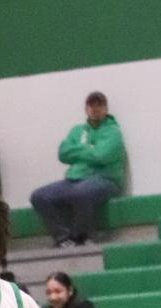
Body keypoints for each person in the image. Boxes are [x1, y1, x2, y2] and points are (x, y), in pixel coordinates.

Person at [30, 91, 127, 248]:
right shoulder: (77, 131)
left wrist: (78, 151)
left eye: (99, 105)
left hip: (106, 179)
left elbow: (102, 156)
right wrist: (90, 149)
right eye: (91, 105)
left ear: (106, 109)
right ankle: (62, 237)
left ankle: (82, 237)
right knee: (39, 196)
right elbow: (63, 153)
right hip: (74, 179)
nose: (95, 109)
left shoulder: (113, 132)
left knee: (80, 192)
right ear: (86, 109)